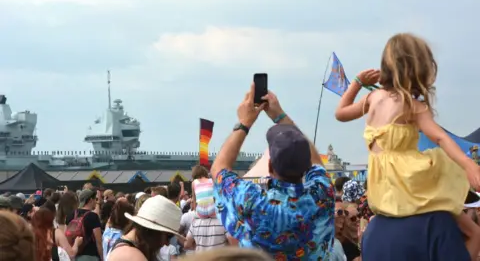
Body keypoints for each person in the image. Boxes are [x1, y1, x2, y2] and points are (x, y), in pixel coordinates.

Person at [334, 33, 480, 260]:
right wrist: (468, 163)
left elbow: (340, 113)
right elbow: (440, 137)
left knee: (440, 197)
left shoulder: (374, 98)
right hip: (409, 178)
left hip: (387, 184)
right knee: (442, 198)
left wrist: (358, 82)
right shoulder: (412, 106)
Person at [211, 84, 335, 260]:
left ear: (270, 166)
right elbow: (316, 162)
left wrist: (245, 122)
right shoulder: (322, 194)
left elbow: (219, 169)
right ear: (306, 165)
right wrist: (280, 115)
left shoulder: (252, 201)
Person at [107, 195, 183, 261]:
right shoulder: (131, 255)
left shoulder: (127, 249)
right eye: (168, 236)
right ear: (153, 231)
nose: (166, 243)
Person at [65, 189, 103, 260]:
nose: (95, 202)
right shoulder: (93, 216)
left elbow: (66, 235)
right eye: (95, 199)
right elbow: (99, 241)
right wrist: (102, 257)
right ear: (91, 200)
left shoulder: (71, 214)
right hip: (90, 256)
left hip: (74, 254)